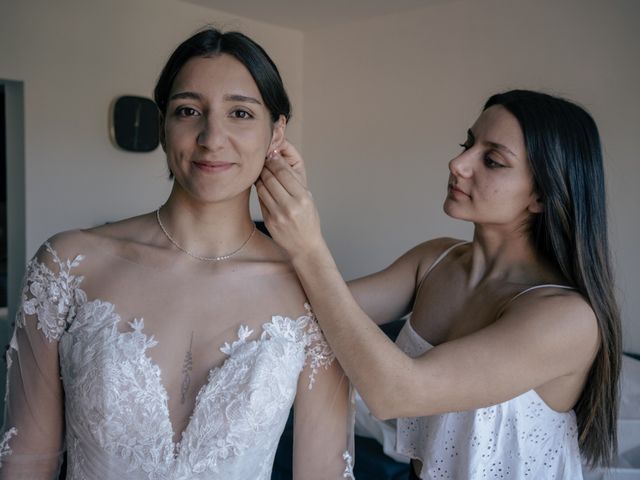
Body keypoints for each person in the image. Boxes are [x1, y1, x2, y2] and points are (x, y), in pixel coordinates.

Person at [0, 28, 354, 479]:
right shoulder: (67, 266)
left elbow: (323, 473)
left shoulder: (309, 287)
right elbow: (26, 462)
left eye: (241, 113)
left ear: (276, 133)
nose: (212, 136)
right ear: (162, 123)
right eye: (189, 110)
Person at [256, 90, 621, 479]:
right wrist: (288, 188)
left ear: (543, 195)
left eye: (492, 160)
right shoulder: (435, 260)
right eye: (468, 144)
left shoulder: (568, 320)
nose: (458, 163)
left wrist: (311, 246)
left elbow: (394, 394)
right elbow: (309, 312)